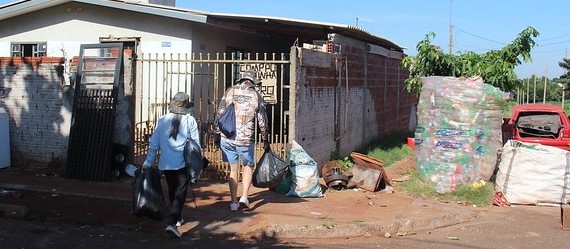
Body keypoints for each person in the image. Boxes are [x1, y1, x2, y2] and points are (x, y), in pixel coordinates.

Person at [142, 92, 200, 238]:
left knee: (172, 190)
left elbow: (154, 143)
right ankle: (172, 222)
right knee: (180, 192)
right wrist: (198, 165)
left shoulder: (162, 120)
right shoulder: (190, 120)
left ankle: (178, 216)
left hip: (165, 163)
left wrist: (148, 161)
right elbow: (196, 145)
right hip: (182, 163)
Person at [216, 70, 270, 211]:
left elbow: (219, 114)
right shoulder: (256, 96)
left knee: (233, 170)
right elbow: (262, 121)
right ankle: (244, 197)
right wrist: (265, 139)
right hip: (246, 139)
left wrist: (217, 133)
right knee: (247, 166)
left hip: (228, 137)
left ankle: (233, 202)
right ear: (252, 82)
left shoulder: (229, 91)